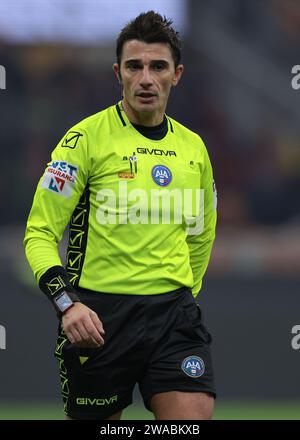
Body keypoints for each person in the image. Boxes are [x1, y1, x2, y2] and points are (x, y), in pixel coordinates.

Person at [24, 10, 217, 420]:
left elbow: (201, 236)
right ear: (118, 72)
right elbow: (39, 234)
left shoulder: (194, 149)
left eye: (158, 66)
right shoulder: (82, 141)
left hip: (173, 319)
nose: (146, 78)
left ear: (176, 74)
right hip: (97, 319)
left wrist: (185, 296)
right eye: (135, 66)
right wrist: (67, 304)